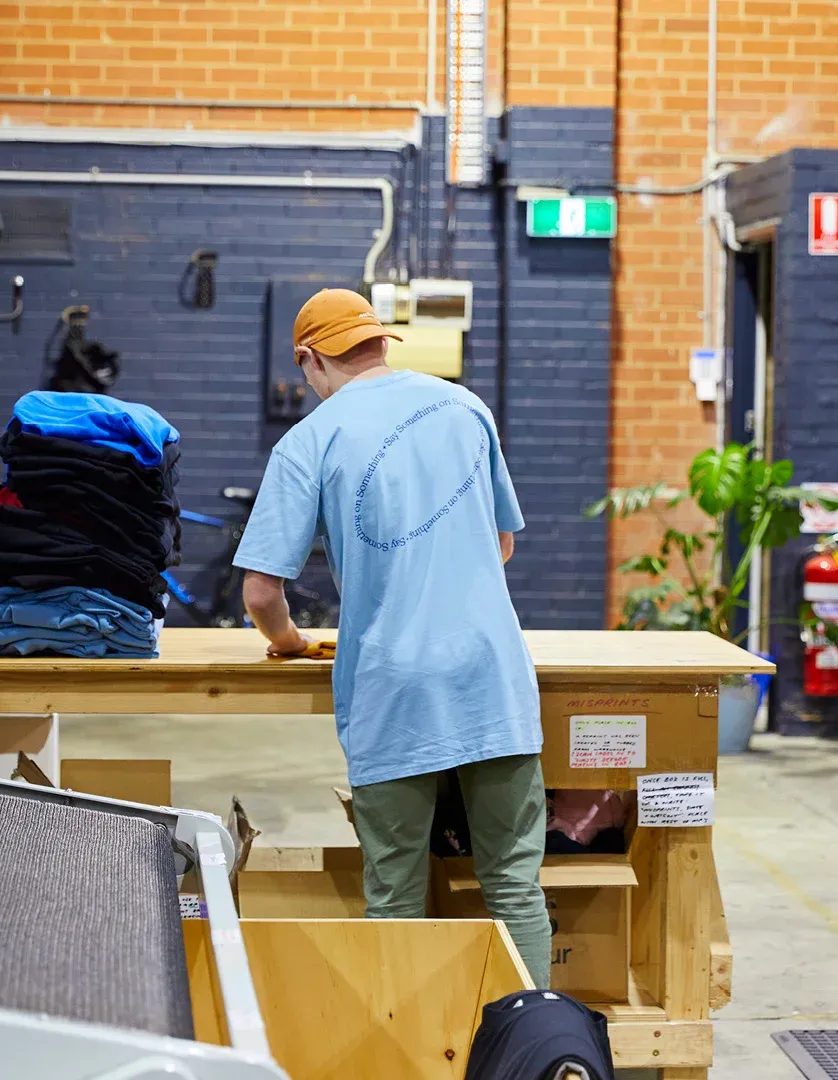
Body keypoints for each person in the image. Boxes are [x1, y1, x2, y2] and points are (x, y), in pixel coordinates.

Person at [232, 288, 551, 986]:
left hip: (393, 687)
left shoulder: (309, 439)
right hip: (492, 678)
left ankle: (403, 1054)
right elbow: (500, 544)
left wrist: (286, 642)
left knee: (396, 898)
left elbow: (260, 593)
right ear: (381, 342)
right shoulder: (468, 408)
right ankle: (533, 1051)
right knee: (513, 886)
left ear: (309, 358)